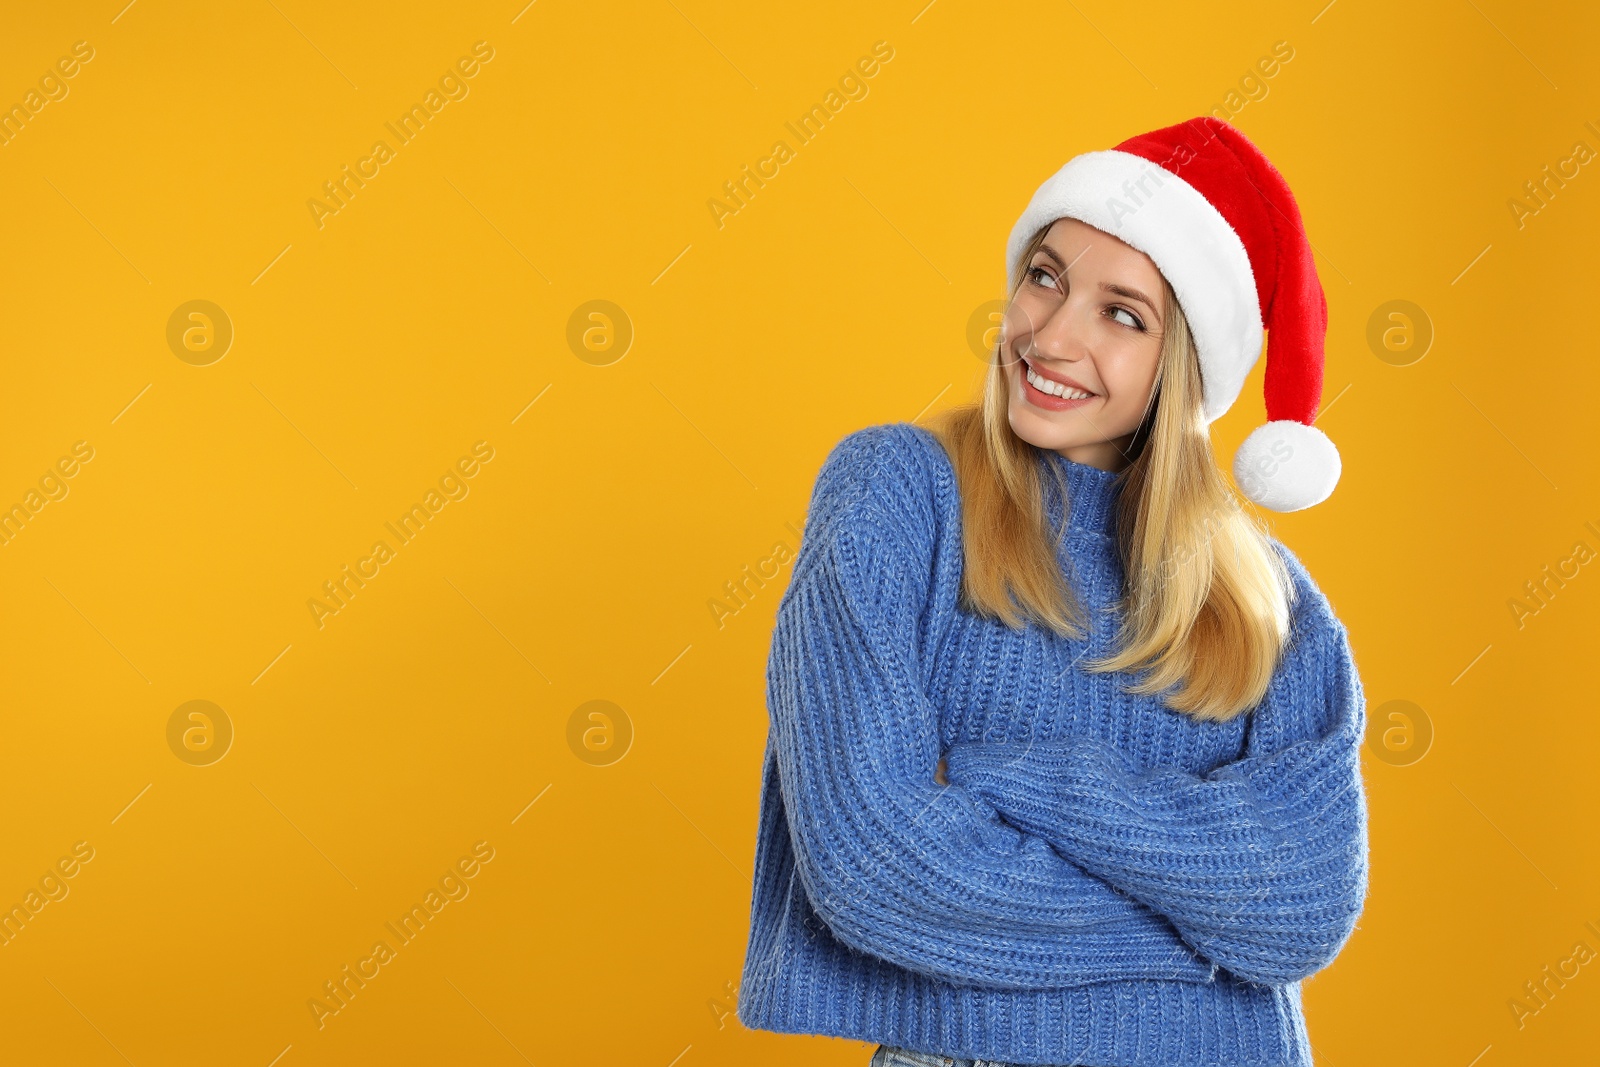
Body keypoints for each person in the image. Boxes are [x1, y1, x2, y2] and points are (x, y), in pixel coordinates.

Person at [736, 116, 1369, 1067]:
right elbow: (871, 861)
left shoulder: (1264, 597)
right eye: (1047, 276)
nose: (1053, 334)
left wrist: (1012, 777)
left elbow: (1301, 901)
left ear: (1182, 366)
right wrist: (1196, 940)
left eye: (1123, 314)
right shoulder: (900, 494)